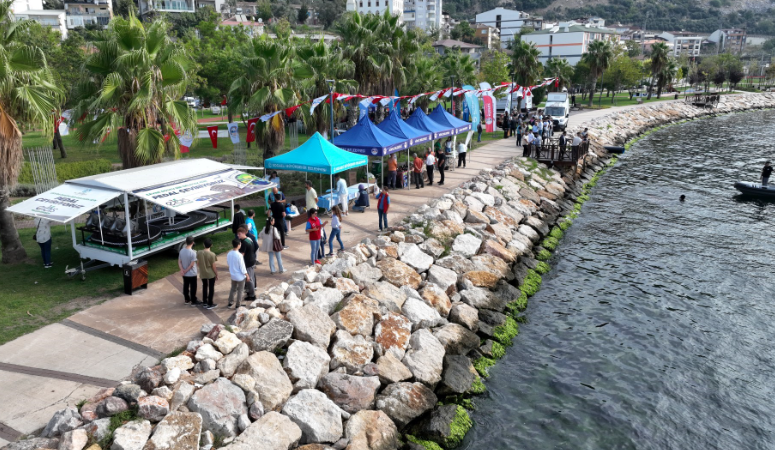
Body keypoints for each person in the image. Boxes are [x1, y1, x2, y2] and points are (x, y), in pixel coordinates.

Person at [227, 239, 249, 308]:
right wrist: (247, 275)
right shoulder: (239, 255)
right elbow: (242, 267)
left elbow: (228, 263)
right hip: (240, 276)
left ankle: (230, 302)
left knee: (233, 289)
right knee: (240, 290)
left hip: (233, 275)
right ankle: (238, 304)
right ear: (238, 245)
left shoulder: (229, 253)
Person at [236, 226, 257, 301]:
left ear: (243, 233)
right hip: (251, 261)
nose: (238, 235)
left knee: (249, 279)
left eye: (239, 234)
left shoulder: (244, 243)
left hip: (247, 263)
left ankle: (252, 295)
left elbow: (242, 255)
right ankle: (250, 292)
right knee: (251, 278)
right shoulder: (249, 239)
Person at [178, 236, 200, 306]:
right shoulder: (193, 253)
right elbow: (191, 265)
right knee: (193, 287)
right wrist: (185, 270)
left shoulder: (181, 251)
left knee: (185, 286)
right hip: (192, 273)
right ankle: (193, 300)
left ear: (186, 242)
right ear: (193, 243)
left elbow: (179, 262)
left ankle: (186, 299)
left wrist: (182, 270)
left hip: (185, 274)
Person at [197, 238, 218, 309]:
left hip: (203, 273)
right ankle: (210, 303)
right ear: (211, 245)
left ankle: (205, 302)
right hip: (210, 273)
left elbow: (198, 263)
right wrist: (216, 274)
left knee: (204, 286)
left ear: (203, 244)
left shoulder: (199, 252)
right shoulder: (212, 254)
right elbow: (213, 266)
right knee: (211, 288)